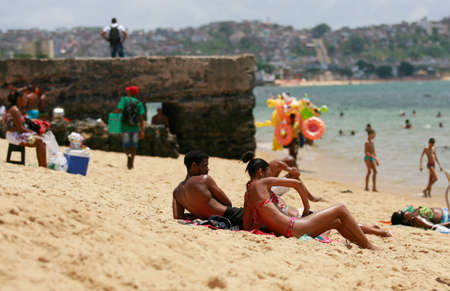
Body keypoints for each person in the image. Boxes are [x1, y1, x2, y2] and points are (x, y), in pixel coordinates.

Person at [242, 155, 390, 249]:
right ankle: (369, 245)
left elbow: (247, 226)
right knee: (341, 208)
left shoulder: (248, 195)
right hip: (294, 227)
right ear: (260, 172)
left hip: (288, 231)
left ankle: (361, 243)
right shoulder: (263, 183)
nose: (269, 176)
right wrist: (307, 207)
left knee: (336, 223)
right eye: (268, 173)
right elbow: (297, 183)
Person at [172, 150, 244, 227]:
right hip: (231, 216)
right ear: (194, 166)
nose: (208, 169)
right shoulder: (204, 179)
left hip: (212, 218)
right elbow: (228, 203)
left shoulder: (176, 192)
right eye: (205, 165)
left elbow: (178, 216)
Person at [5, 91, 47, 167]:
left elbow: (22, 123)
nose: (26, 100)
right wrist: (34, 133)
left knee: (41, 139)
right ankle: (43, 166)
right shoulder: (15, 110)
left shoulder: (16, 109)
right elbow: (21, 128)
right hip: (15, 137)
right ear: (19, 99)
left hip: (17, 134)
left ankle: (43, 165)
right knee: (41, 141)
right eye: (25, 98)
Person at [115, 86, 145, 169]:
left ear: (131, 92)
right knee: (134, 146)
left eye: (128, 91)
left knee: (126, 145)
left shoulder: (124, 99)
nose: (127, 92)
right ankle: (132, 162)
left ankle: (128, 155)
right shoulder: (139, 103)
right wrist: (142, 130)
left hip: (125, 127)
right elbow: (141, 118)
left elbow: (118, 110)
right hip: (135, 128)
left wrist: (114, 120)